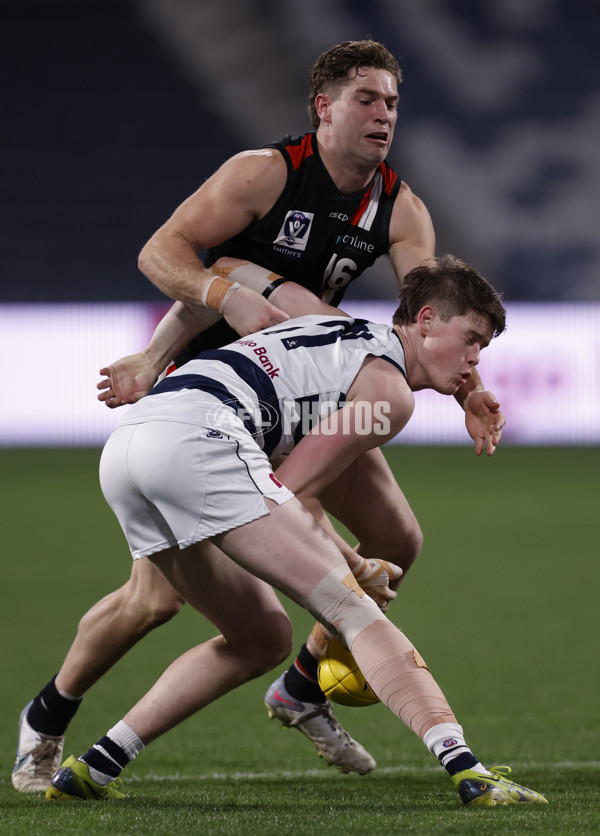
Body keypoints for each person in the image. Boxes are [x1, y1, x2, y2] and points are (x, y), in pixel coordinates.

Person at [13, 40, 506, 792]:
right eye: (368, 99)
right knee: (154, 601)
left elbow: (433, 317)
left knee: (397, 537)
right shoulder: (264, 174)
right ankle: (47, 718)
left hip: (307, 386)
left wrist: (469, 387)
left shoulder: (400, 209)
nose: (384, 116)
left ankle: (303, 688)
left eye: (394, 103)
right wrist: (175, 339)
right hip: (214, 397)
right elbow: (166, 252)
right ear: (325, 107)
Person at [45, 258, 545, 807]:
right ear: (425, 320)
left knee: (259, 638)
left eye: (484, 348)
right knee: (354, 610)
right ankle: (469, 771)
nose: (475, 361)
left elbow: (230, 266)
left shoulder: (327, 318)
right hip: (200, 438)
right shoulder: (389, 395)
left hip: (130, 444)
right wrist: (354, 569)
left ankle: (92, 768)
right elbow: (287, 488)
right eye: (470, 340)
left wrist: (156, 353)